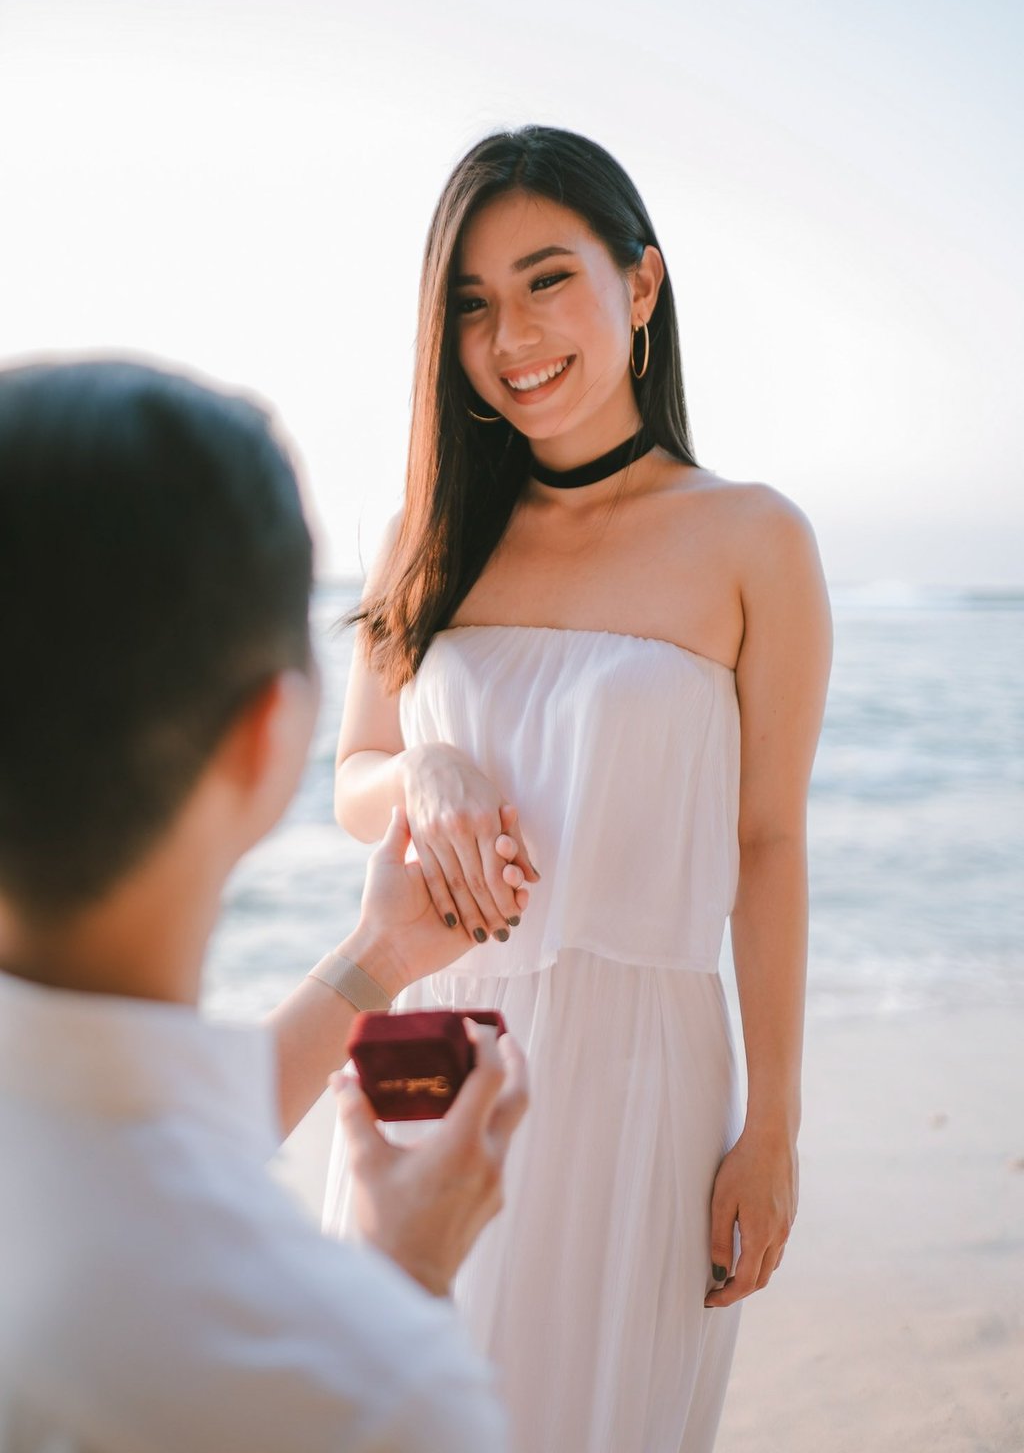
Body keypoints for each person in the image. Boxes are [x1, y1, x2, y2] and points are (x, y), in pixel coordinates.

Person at [324, 125, 833, 1452]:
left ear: (642, 287)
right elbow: (354, 783)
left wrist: (771, 1126)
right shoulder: (424, 536)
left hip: (640, 1068)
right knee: (389, 1413)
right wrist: (428, 770)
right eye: (476, 304)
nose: (513, 335)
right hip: (427, 1048)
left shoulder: (752, 539)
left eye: (550, 279)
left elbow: (769, 842)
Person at [0, 358, 530, 1453]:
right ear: (269, 741)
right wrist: (403, 1287)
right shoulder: (367, 1389)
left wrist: (377, 956)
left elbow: (113, 1130)